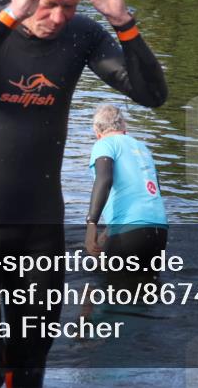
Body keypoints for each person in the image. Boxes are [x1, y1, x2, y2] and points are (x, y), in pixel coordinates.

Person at [0, 0, 167, 387]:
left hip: (38, 232)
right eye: (47, 4)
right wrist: (10, 17)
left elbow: (152, 94)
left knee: (28, 370)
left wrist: (122, 21)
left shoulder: (81, 36)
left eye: (69, 7)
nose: (58, 18)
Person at [84, 105, 168, 275]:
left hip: (129, 232)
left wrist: (91, 224)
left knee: (105, 284)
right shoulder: (143, 148)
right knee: (147, 286)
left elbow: (104, 180)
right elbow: (152, 191)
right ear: (124, 127)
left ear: (97, 132)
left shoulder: (104, 144)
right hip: (159, 230)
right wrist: (109, 231)